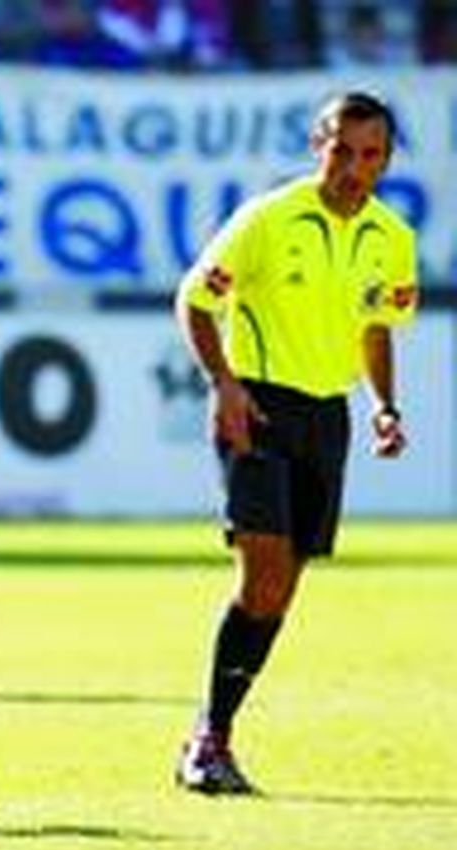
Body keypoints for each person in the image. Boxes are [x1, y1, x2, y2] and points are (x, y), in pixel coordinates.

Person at [173, 91, 416, 795]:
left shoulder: (392, 238)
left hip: (327, 417)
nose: (354, 167)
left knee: (279, 592)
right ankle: (210, 742)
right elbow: (195, 300)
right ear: (319, 146)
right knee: (264, 575)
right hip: (257, 405)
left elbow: (376, 327)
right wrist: (223, 384)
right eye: (342, 151)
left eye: (370, 154)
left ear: (386, 160)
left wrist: (384, 405)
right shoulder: (269, 218)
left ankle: (209, 735)